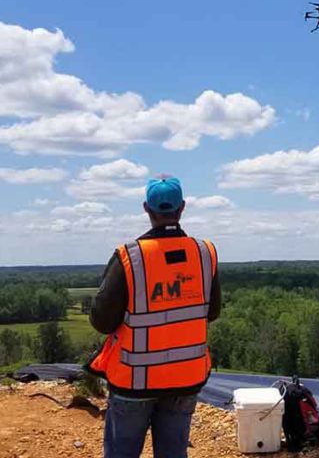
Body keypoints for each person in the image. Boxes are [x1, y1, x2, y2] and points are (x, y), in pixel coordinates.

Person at [85, 175, 221, 458]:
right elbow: (212, 311)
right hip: (185, 378)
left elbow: (102, 321)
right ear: (182, 208)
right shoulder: (204, 254)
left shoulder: (129, 257)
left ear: (147, 209)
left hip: (134, 382)